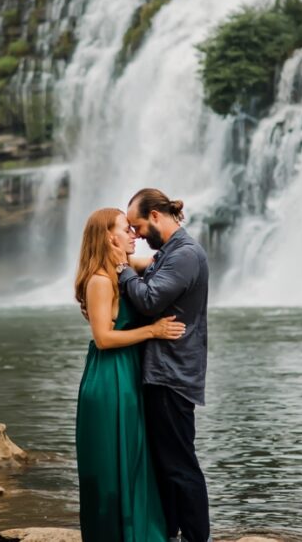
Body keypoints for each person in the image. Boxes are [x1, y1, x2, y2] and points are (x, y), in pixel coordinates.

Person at [75, 207, 186, 541]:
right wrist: (152, 331)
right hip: (110, 379)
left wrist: (173, 223)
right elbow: (103, 339)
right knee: (112, 464)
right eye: (127, 229)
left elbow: (159, 265)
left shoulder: (121, 270)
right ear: (110, 237)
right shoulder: (98, 281)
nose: (134, 234)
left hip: (128, 376)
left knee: (136, 458)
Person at [114, 188, 211, 542]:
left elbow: (151, 300)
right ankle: (169, 533)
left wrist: (122, 269)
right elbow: (150, 271)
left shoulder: (184, 254)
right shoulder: (170, 253)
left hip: (173, 374)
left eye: (137, 226)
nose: (136, 235)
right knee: (166, 464)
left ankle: (197, 537)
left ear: (155, 216)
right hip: (164, 372)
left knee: (180, 465)